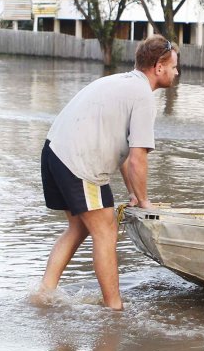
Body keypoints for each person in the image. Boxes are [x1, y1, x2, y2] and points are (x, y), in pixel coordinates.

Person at [38, 35, 179, 310]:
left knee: (79, 226)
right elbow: (138, 158)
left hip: (54, 151)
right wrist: (146, 202)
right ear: (158, 67)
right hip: (78, 162)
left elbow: (125, 158)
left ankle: (44, 292)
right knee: (106, 229)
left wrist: (134, 195)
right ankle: (114, 308)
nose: (176, 72)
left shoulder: (122, 83)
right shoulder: (142, 96)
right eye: (174, 66)